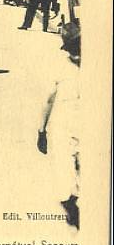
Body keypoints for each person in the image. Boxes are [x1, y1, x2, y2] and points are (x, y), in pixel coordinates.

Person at [37, 22, 81, 229]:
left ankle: (74, 202)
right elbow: (48, 100)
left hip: (70, 125)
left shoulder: (60, 68)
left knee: (69, 166)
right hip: (71, 127)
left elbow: (48, 100)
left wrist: (41, 130)